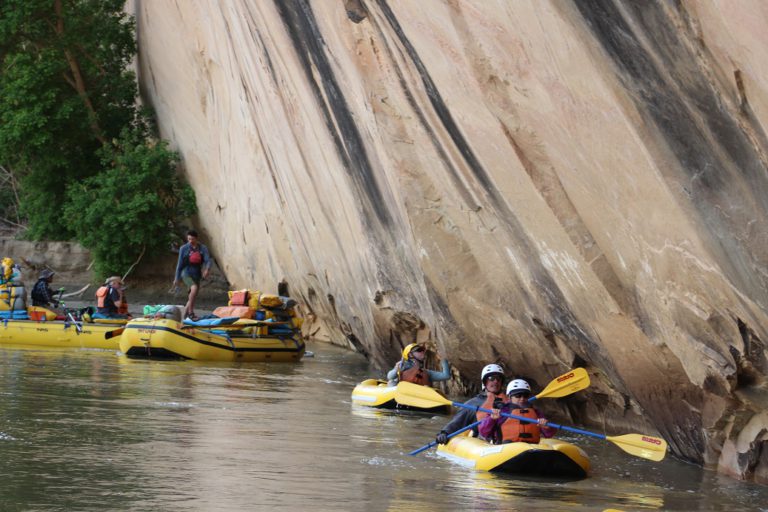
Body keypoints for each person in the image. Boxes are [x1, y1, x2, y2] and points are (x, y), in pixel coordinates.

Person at [435, 363, 507, 445]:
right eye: (492, 378)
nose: (496, 381)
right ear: (485, 382)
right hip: (482, 443)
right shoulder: (472, 404)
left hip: (506, 442)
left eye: (499, 379)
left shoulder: (509, 402)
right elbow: (457, 422)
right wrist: (445, 432)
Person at [477, 379, 557, 444]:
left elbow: (549, 434)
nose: (522, 399)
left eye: (525, 396)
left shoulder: (536, 412)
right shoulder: (501, 411)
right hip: (506, 448)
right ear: (509, 397)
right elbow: (484, 432)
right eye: (518, 395)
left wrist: (547, 427)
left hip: (531, 448)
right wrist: (491, 419)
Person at [173, 230, 211, 320]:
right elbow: (179, 264)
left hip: (197, 274)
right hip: (186, 273)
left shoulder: (203, 248)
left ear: (196, 238)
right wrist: (176, 278)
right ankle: (191, 313)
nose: (190, 241)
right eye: (189, 239)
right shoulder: (183, 248)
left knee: (192, 296)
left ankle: (184, 317)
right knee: (194, 288)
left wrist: (207, 269)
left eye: (192, 239)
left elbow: (208, 260)